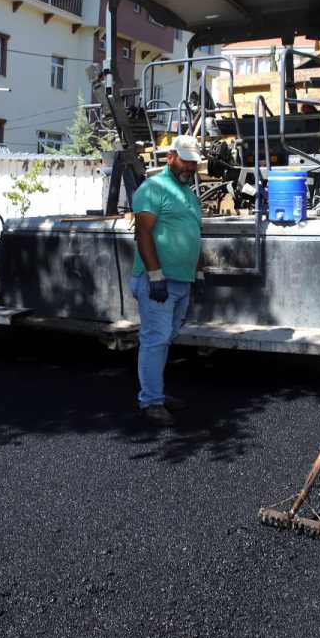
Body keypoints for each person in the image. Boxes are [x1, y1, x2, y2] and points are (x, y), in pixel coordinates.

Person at [130, 135, 205, 425]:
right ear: (170, 157)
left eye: (194, 162)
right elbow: (143, 233)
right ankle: (150, 402)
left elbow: (193, 235)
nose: (190, 166)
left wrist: (197, 275)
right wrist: (155, 275)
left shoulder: (188, 194)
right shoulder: (154, 188)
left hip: (180, 281)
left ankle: (156, 393)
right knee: (155, 340)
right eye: (185, 160)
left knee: (165, 339)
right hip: (158, 281)